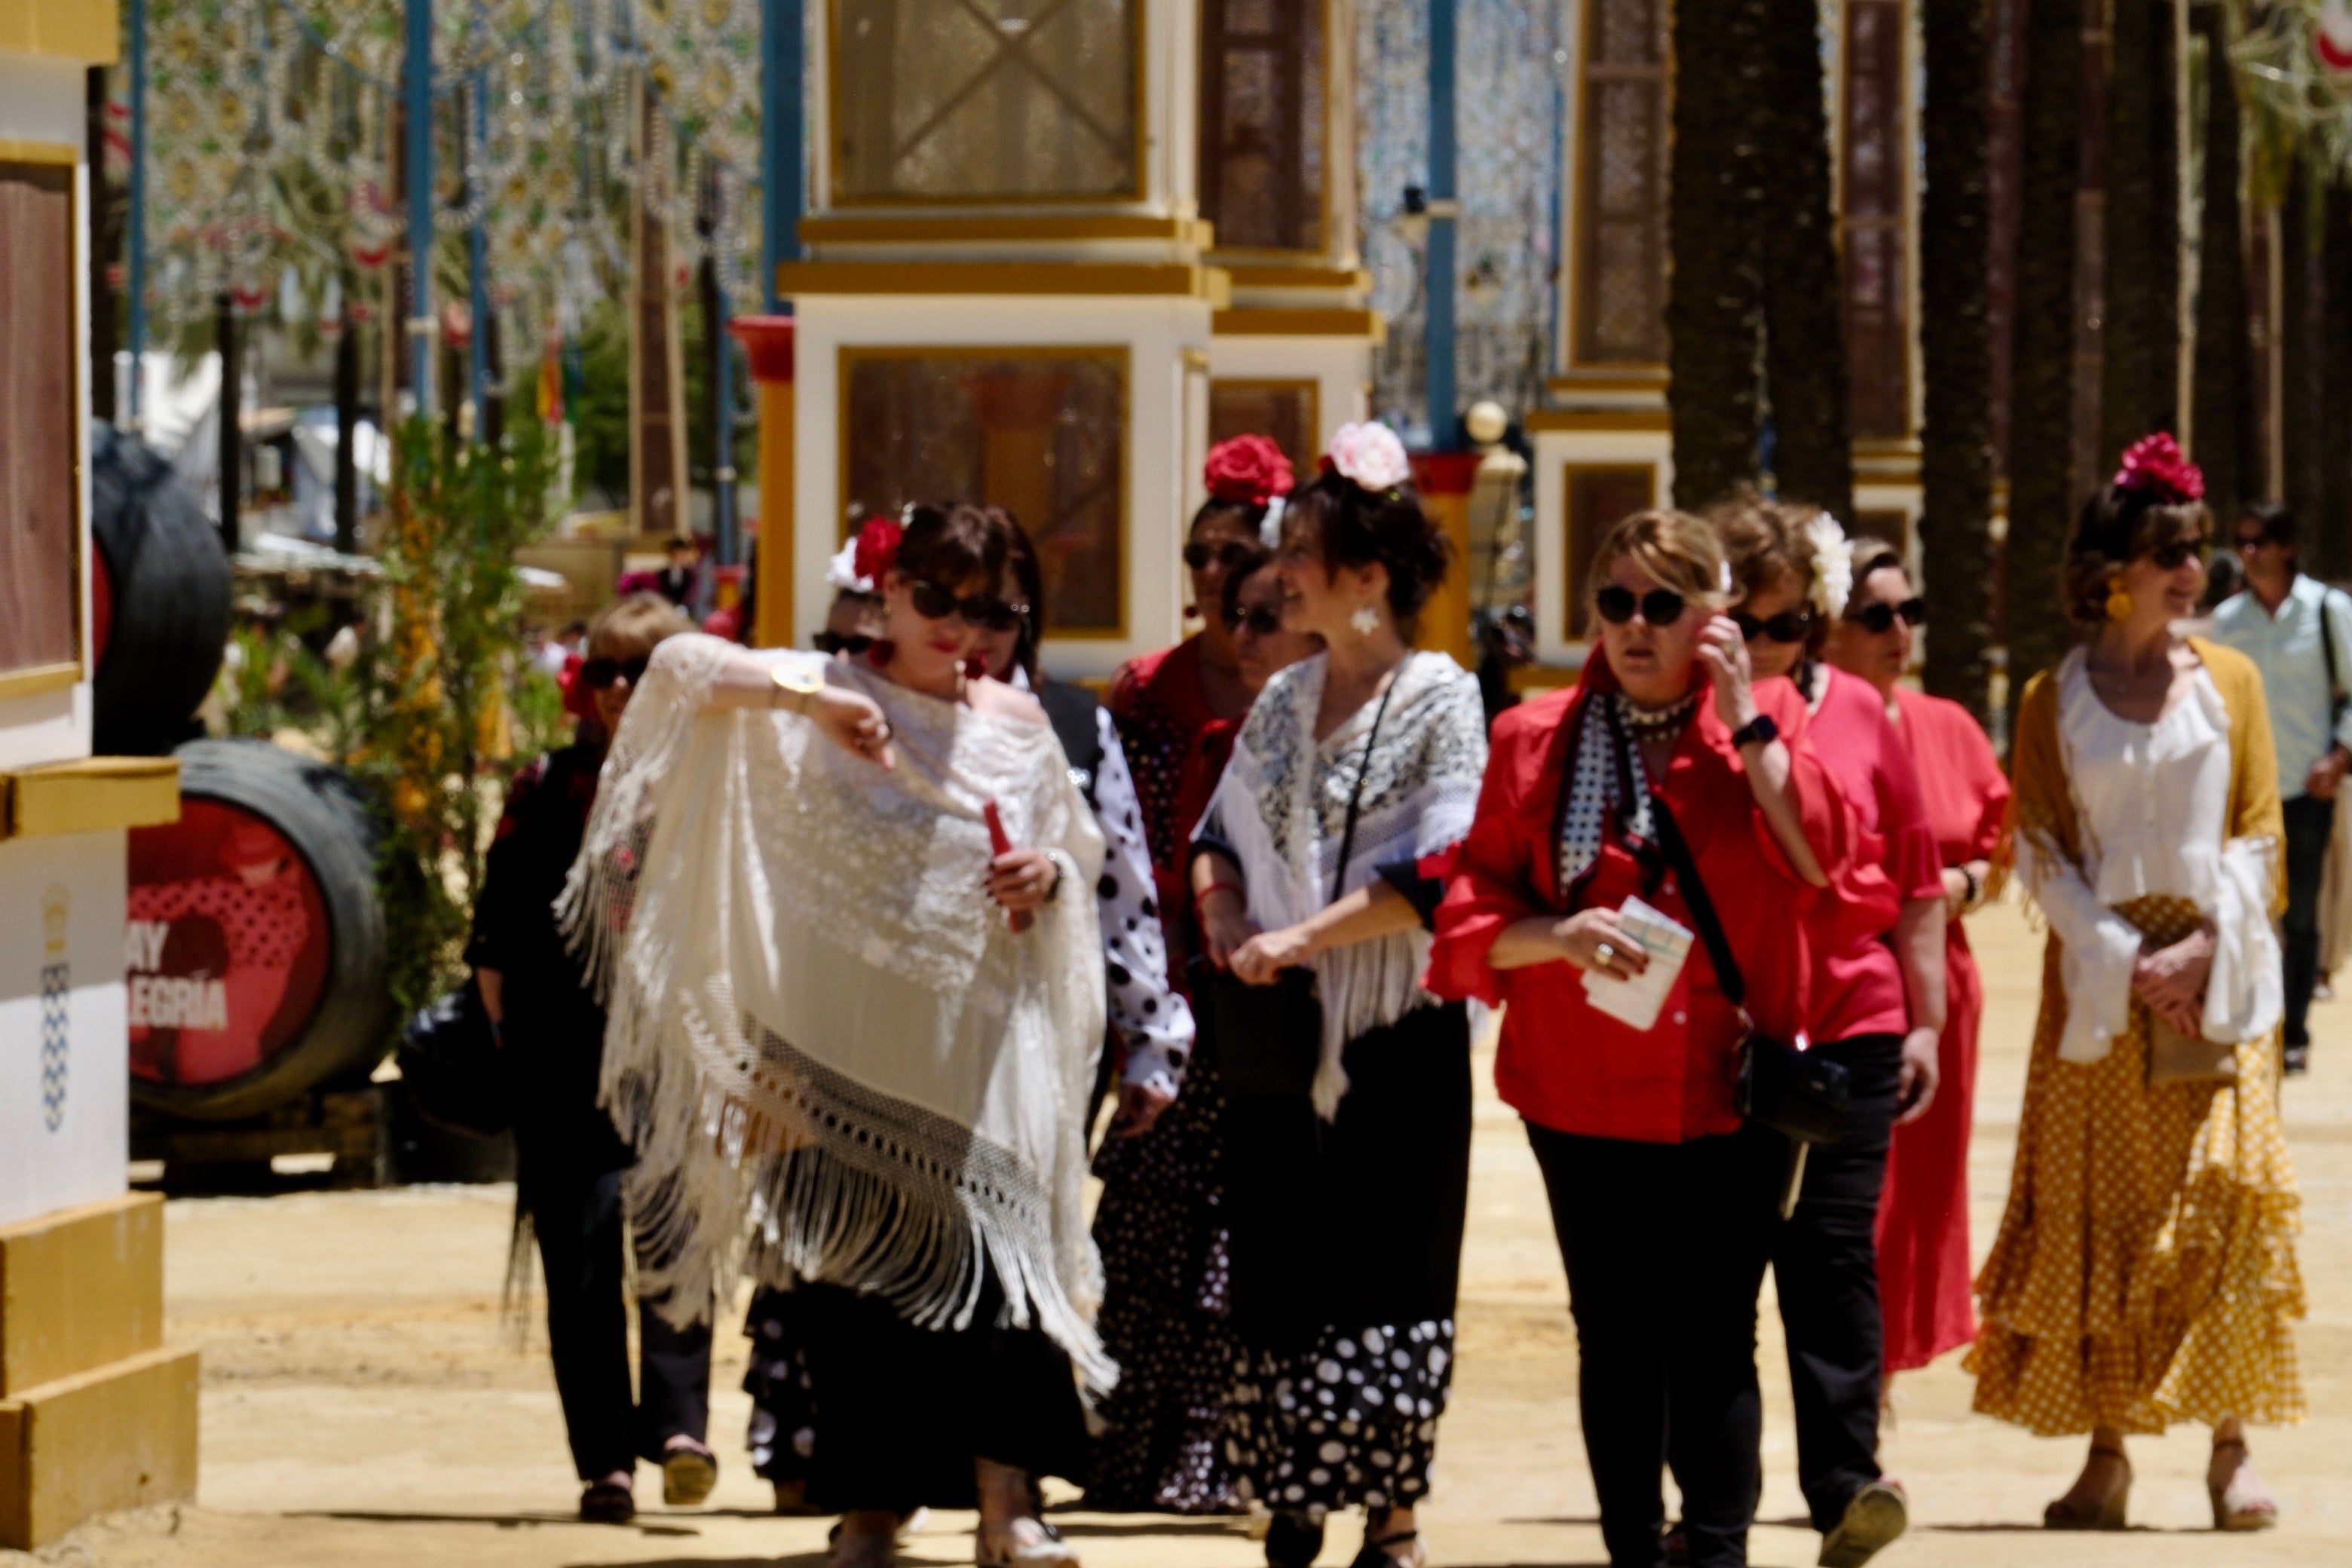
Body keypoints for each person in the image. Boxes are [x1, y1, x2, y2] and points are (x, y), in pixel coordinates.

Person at [563, 504, 1111, 1568]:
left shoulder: (1021, 723)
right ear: (891, 591)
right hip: (842, 1054)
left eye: (993, 606)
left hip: (981, 1051)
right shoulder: (825, 691)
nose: (964, 628)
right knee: (855, 1291)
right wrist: (801, 703)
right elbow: (675, 669)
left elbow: (1072, 859)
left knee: (1001, 1280)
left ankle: (1012, 1509)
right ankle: (870, 1509)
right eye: (939, 600)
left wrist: (1043, 879)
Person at [1428, 507, 1854, 1568]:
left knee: (1714, 1338)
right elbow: (1474, 897)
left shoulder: (1762, 732)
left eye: (1663, 605)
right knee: (1615, 1339)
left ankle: (1713, 1555)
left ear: (1713, 619)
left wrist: (1746, 716)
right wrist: (1559, 936)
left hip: (1724, 1091)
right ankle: (1630, 1553)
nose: (1635, 626)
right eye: (1616, 603)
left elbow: (1822, 861)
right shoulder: (1534, 738)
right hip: (1580, 1089)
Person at [1972, 433, 2301, 1533]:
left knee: (2219, 1207)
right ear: (2114, 569)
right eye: (2170, 552)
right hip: (2104, 997)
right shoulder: (2048, 698)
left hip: (2221, 982)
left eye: (2197, 550)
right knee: (2107, 1215)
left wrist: (2204, 950)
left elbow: (2261, 832)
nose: (2191, 571)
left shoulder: (2236, 684)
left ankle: (2230, 1453)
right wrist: (2124, 957)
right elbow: (2044, 854)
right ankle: (2107, 1457)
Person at [1190, 423, 1489, 1568]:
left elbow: (1436, 874)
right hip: (1277, 1031)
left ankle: (1391, 1515)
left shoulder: (1439, 698)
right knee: (1281, 1260)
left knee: (1392, 1262)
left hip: (1392, 1035)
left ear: (1370, 578)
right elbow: (1219, 829)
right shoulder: (1282, 698)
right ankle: (1294, 1494)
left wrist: (1306, 935)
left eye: (1304, 552)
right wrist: (1225, 914)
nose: (1278, 574)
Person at [1710, 498, 1945, 1566]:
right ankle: (1716, 1508)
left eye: (1793, 624)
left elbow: (1916, 880)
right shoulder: (1685, 711)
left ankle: (1846, 1486)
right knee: (1721, 1272)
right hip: (1722, 1031)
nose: (1772, 647)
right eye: (1751, 625)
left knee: (1835, 1255)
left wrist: (1927, 1023)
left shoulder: (1862, 712)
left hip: (1853, 1015)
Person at [467, 593, 719, 1525]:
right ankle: (605, 1462)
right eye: (604, 668)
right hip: (558, 1053)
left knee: (672, 1228)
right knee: (577, 1261)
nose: (618, 688)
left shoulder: (709, 782)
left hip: (676, 1045)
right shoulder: (542, 786)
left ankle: (682, 1429)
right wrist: (506, 1040)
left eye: (641, 669)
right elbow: (493, 934)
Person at [1089, 547, 1321, 1517]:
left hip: (1290, 1012)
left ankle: (1240, 1459)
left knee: (1257, 1237)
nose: (1245, 626)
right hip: (1182, 996)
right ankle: (1136, 1453)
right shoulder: (1150, 697)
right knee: (1153, 1231)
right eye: (1229, 598)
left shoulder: (1340, 720)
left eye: (1267, 608)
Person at [1823, 540, 2010, 1383]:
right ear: (1828, 631)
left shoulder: (1952, 726)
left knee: (1917, 1200)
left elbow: (2004, 849)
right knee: (1852, 1206)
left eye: (1911, 612)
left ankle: (1876, 1395)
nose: (1900, 631)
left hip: (1941, 992)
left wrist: (1952, 884)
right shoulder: (1813, 728)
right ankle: (1857, 1400)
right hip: (1843, 987)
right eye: (1876, 616)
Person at [2206, 500, 2352, 1074]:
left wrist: (2338, 758)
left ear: (2286, 548)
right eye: (2241, 542)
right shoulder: (2227, 621)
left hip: (2304, 787)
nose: (2247, 554)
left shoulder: (2327, 612)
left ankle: (2294, 1032)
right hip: (2240, 795)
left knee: (2299, 916)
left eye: (2258, 542)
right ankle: (2249, 1024)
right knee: (2244, 910)